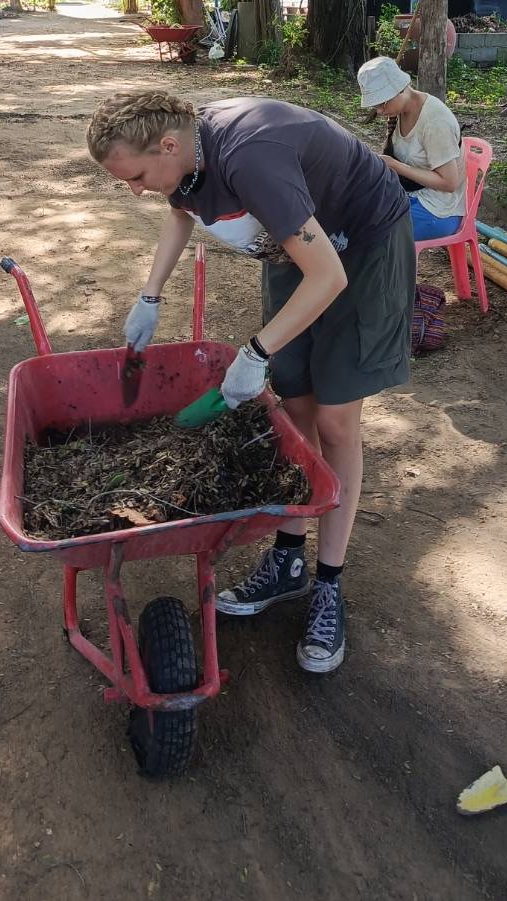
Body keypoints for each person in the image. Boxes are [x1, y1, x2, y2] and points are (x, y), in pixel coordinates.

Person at [86, 90, 415, 675]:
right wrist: (149, 296)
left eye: (135, 177)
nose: (134, 190)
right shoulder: (186, 153)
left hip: (361, 248)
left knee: (336, 420)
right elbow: (181, 210)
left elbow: (329, 276)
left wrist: (256, 350)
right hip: (297, 248)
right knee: (295, 407)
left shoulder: (250, 157)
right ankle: (289, 560)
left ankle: (328, 584)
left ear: (168, 146)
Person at [357, 56, 465, 241]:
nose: (380, 111)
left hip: (439, 209)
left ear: (399, 89)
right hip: (410, 193)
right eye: (376, 106)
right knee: (355, 209)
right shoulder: (401, 111)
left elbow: (449, 183)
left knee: (371, 232)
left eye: (382, 103)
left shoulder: (435, 122)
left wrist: (396, 166)